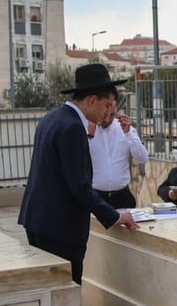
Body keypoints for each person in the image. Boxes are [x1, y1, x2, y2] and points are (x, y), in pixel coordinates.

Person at [18, 62, 141, 286]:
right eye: (107, 105)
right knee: (66, 294)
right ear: (92, 100)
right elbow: (79, 185)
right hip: (60, 228)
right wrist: (114, 215)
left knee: (50, 294)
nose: (107, 113)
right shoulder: (74, 127)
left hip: (38, 220)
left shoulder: (52, 118)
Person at [88, 89, 148, 210]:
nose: (106, 119)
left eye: (111, 115)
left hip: (122, 196)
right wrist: (89, 135)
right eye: (104, 114)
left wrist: (128, 134)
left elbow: (142, 158)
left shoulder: (124, 128)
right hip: (96, 196)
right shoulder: (87, 128)